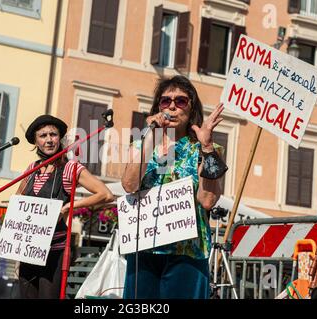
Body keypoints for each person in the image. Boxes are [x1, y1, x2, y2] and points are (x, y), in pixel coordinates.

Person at [121, 75, 226, 299]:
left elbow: (208, 200)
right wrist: (151, 136)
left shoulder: (207, 148)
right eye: (165, 101)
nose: (172, 106)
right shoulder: (140, 145)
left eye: (180, 101)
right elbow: (129, 185)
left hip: (187, 251)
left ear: (191, 109)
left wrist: (206, 147)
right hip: (144, 248)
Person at [16, 114, 114, 299]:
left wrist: (69, 207)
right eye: (43, 136)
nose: (49, 140)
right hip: (28, 251)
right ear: (35, 142)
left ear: (60, 138)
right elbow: (17, 200)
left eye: (53, 134)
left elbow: (105, 194)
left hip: (55, 251)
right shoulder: (31, 169)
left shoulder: (70, 168)